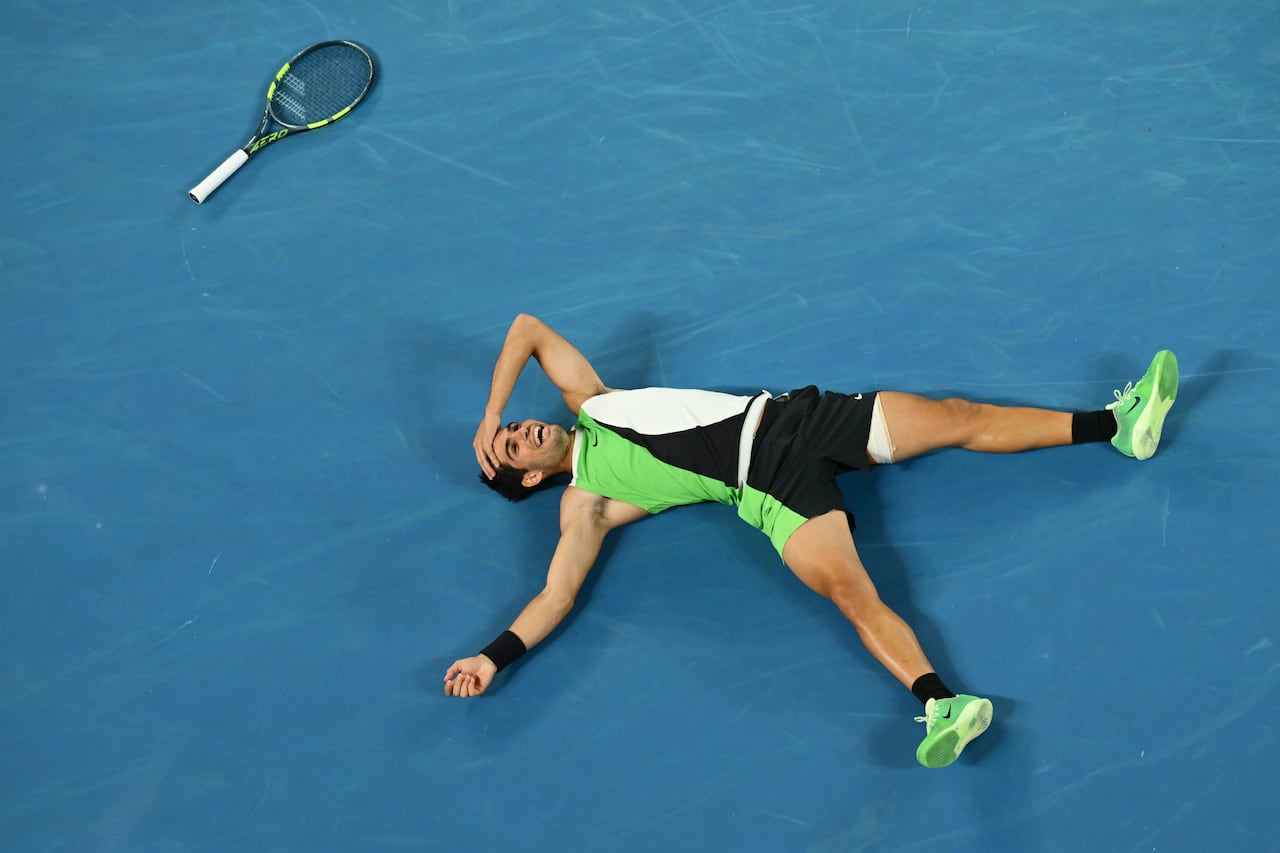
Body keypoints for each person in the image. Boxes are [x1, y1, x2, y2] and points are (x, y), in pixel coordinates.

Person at [443, 313, 1179, 768]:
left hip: (800, 418)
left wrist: (487, 412)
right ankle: (942, 702)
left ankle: (1118, 426)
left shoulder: (590, 400)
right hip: (769, 489)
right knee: (852, 594)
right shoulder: (588, 503)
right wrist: (490, 655)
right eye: (513, 447)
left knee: (957, 414)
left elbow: (526, 328)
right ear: (533, 480)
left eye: (515, 428)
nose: (522, 431)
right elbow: (556, 593)